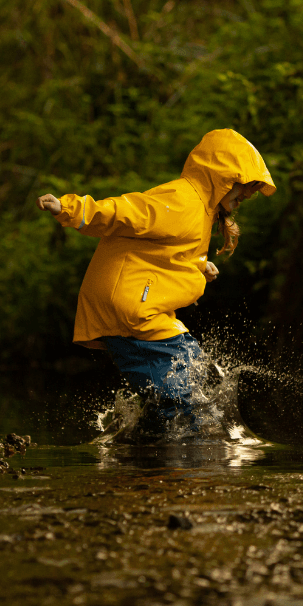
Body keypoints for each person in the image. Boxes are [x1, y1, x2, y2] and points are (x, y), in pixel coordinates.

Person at [36, 129, 275, 437]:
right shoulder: (181, 200)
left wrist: (199, 266)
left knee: (186, 374)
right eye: (244, 188)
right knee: (184, 386)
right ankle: (184, 459)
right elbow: (125, 212)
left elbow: (167, 249)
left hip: (140, 307)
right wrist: (71, 209)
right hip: (131, 309)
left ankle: (146, 447)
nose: (247, 196)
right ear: (222, 177)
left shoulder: (199, 209)